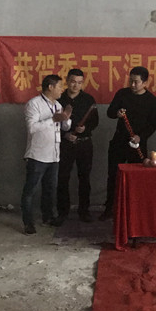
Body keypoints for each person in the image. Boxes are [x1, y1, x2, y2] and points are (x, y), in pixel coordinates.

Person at [102, 66, 156, 220]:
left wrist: (141, 136)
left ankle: (136, 210)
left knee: (137, 177)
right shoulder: (122, 94)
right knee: (113, 175)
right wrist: (117, 113)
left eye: (136, 82)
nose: (132, 85)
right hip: (119, 141)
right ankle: (110, 208)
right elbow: (109, 112)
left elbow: (153, 124)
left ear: (145, 82)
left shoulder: (151, 100)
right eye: (131, 81)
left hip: (138, 144)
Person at [20, 74, 72, 235]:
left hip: (54, 155)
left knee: (50, 189)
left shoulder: (57, 104)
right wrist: (53, 119)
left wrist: (66, 119)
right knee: (30, 190)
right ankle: (28, 222)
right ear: (50, 87)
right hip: (37, 155)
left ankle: (48, 217)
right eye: (60, 86)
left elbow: (65, 128)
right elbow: (32, 128)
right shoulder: (34, 104)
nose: (62, 90)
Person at [55, 69, 99, 225]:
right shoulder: (59, 99)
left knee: (84, 178)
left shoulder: (88, 99)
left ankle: (84, 211)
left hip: (84, 144)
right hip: (65, 144)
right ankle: (62, 212)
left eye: (80, 83)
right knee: (62, 177)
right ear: (67, 81)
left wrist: (85, 129)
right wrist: (65, 134)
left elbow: (95, 121)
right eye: (73, 82)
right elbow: (52, 123)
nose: (76, 85)